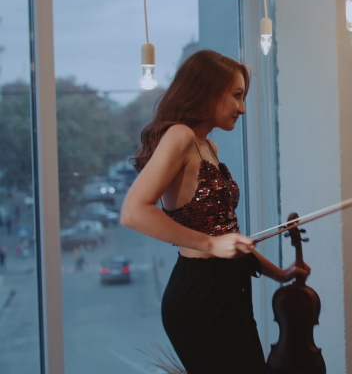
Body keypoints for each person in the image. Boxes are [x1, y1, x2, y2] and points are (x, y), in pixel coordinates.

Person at [121, 50, 308, 374]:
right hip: (200, 296)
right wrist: (209, 244)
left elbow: (225, 234)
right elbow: (133, 212)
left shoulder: (208, 146)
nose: (242, 108)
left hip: (229, 286)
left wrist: (278, 273)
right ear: (207, 91)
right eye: (236, 96)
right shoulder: (179, 136)